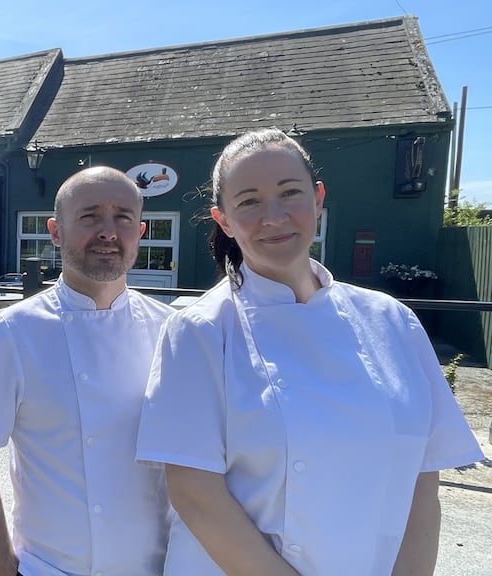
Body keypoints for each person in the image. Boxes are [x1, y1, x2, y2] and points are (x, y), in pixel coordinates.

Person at [135, 128, 484, 575]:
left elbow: (422, 479)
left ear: (318, 199)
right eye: (249, 202)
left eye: (289, 192)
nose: (274, 216)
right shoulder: (201, 329)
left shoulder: (391, 321)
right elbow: (195, 493)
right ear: (223, 219)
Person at [0, 166, 175, 576]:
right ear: (55, 231)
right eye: (89, 216)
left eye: (123, 217)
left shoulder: (172, 331)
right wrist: (3, 568)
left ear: (139, 232)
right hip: (48, 568)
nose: (108, 231)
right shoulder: (12, 333)